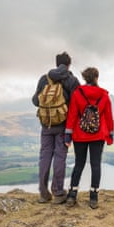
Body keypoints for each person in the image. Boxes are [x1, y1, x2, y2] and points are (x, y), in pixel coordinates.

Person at [32, 52, 80, 204]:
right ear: (69, 64)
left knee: (45, 156)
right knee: (60, 157)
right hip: (63, 126)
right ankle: (58, 193)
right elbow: (75, 106)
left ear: (56, 63)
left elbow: (35, 101)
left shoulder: (44, 79)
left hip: (46, 125)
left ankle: (43, 193)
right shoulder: (72, 80)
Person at [64, 67, 114, 209]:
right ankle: (93, 198)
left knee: (79, 164)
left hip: (80, 135)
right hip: (98, 135)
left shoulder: (77, 94)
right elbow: (109, 116)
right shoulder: (104, 95)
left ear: (85, 78)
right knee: (95, 164)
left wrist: (68, 135)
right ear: (97, 77)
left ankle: (72, 195)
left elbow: (72, 115)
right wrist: (110, 134)